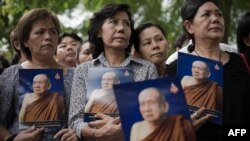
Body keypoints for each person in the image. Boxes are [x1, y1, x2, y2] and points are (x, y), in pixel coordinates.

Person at [69, 4, 158, 141]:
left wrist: (123, 131)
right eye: (113, 22)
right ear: (99, 31)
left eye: (126, 24)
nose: (121, 28)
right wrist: (97, 134)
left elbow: (154, 115)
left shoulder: (147, 69)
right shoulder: (83, 70)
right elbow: (75, 120)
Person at [166, 0, 250, 140]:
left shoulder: (243, 63)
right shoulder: (174, 69)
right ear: (189, 26)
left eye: (219, 14)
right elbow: (167, 126)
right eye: (206, 14)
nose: (215, 19)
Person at [0, 8, 78, 141]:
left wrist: (78, 133)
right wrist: (11, 139)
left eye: (53, 32)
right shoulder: (11, 75)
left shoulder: (76, 75)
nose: (48, 37)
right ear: (25, 41)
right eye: (40, 32)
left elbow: (84, 119)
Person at [130, 87, 195, 141]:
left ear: (165, 106)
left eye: (152, 102)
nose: (147, 109)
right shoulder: (136, 128)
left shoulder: (182, 125)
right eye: (142, 104)